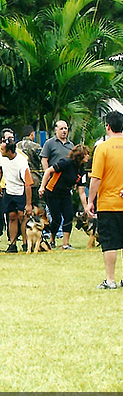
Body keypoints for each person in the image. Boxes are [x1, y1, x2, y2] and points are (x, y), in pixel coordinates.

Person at [86, 111, 123, 289]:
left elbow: (96, 178)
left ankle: (110, 280)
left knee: (109, 243)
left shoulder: (102, 148)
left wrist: (90, 200)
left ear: (107, 126)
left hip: (109, 203)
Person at [39, 144, 89, 250]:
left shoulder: (81, 170)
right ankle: (52, 239)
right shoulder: (66, 163)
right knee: (56, 218)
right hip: (52, 191)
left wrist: (86, 207)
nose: (88, 156)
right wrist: (42, 187)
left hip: (65, 192)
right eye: (86, 154)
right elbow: (48, 171)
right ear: (80, 155)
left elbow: (81, 192)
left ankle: (65, 244)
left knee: (69, 216)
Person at [0, 140, 33, 253]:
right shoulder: (1, 157)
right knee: (11, 216)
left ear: (9, 151)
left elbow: (28, 184)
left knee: (23, 217)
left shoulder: (22, 162)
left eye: (2, 149)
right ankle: (12, 244)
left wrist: (28, 204)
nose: (0, 151)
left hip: (21, 191)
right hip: (9, 190)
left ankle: (26, 243)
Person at [17, 125, 43, 207]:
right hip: (34, 179)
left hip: (19, 180)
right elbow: (42, 160)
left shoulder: (16, 146)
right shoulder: (35, 146)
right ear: (32, 134)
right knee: (36, 206)